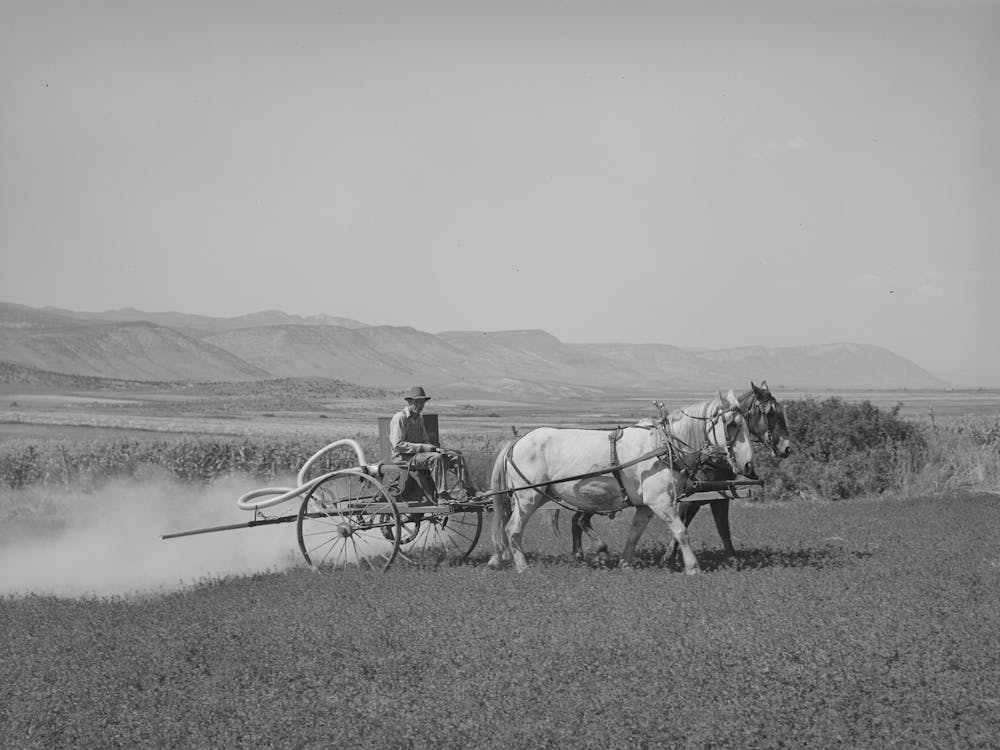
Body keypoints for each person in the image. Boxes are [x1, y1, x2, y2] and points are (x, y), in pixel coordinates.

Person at [388, 386, 477, 502]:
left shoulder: (419, 418)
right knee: (436, 458)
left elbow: (425, 440)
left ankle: (468, 490)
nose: (420, 406)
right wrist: (424, 448)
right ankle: (442, 495)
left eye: (422, 403)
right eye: (417, 402)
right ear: (409, 402)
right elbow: (398, 445)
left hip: (419, 456)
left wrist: (435, 449)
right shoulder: (400, 418)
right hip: (404, 458)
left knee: (455, 455)